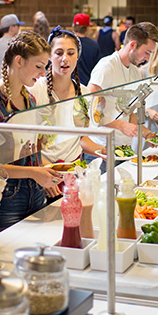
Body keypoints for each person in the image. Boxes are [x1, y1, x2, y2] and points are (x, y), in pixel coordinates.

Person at [0, 31, 61, 232]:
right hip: (6, 196)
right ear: (19, 61)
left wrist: (49, 171)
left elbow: (30, 149)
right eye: (39, 66)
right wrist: (34, 173)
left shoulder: (30, 99)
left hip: (36, 191)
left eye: (45, 67)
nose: (43, 74)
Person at [28, 26, 105, 198]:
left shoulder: (84, 94)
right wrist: (43, 171)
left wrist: (104, 151)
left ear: (78, 56)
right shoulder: (35, 90)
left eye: (71, 53)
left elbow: (82, 139)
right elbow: (27, 142)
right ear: (49, 56)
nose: (65, 59)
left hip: (73, 176)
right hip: (42, 176)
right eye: (59, 53)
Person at [87, 23, 158, 150]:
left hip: (124, 146)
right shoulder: (107, 66)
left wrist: (148, 134)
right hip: (101, 146)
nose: (148, 58)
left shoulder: (135, 72)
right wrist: (121, 126)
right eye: (147, 52)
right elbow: (90, 108)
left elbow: (129, 114)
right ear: (133, 45)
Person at [72, 13, 100, 85]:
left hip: (68, 85)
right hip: (86, 85)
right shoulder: (94, 45)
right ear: (87, 28)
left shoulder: (66, 42)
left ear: (73, 26)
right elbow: (97, 68)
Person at [0, 14, 24, 79]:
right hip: (8, 83)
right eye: (18, 26)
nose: (19, 28)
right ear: (11, 28)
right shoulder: (13, 43)